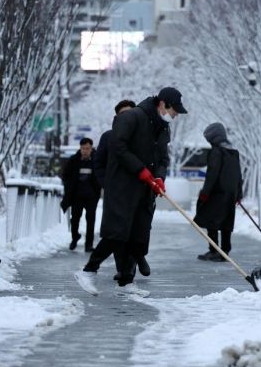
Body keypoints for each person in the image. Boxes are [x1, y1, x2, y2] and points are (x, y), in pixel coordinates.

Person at [74, 87, 187, 294]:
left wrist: (159, 177)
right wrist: (140, 170)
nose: (175, 115)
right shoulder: (132, 118)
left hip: (146, 189)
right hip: (123, 186)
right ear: (163, 104)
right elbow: (118, 146)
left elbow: (162, 158)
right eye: (174, 110)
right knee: (117, 233)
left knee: (138, 234)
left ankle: (126, 282)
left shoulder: (163, 128)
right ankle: (88, 270)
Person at [94, 99, 139, 280]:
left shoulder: (140, 139)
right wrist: (107, 184)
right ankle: (123, 269)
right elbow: (99, 164)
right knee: (115, 232)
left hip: (136, 194)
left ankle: (131, 266)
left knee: (135, 232)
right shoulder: (107, 137)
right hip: (114, 194)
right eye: (123, 114)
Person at [194, 122, 243, 261]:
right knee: (226, 222)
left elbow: (212, 174)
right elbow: (238, 175)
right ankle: (225, 251)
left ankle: (214, 250)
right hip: (230, 194)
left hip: (216, 193)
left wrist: (205, 192)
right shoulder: (234, 152)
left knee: (211, 222)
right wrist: (238, 194)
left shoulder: (216, 152)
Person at [61, 138, 102, 252]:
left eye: (87, 148)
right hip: (76, 196)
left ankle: (88, 245)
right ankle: (75, 238)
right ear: (80, 148)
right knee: (75, 219)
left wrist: (97, 188)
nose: (85, 151)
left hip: (91, 196)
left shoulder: (96, 160)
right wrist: (68, 186)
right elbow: (65, 175)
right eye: (83, 148)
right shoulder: (74, 160)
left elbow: (101, 174)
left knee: (91, 219)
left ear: (91, 148)